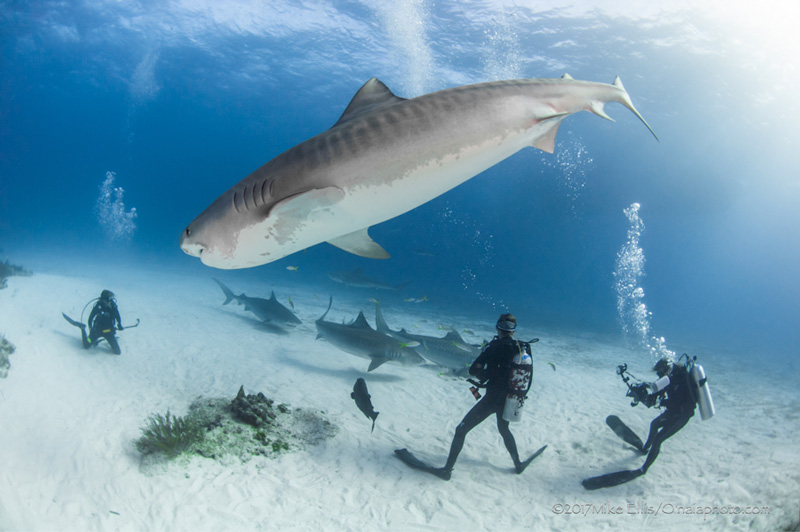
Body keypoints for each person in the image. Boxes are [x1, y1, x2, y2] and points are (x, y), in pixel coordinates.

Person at [395, 313, 545, 480]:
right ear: (514, 330)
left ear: (498, 327)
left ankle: (447, 470)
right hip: (509, 399)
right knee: (504, 429)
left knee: (461, 430)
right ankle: (518, 464)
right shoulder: (520, 349)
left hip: (492, 399)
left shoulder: (493, 347)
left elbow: (474, 370)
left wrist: (484, 374)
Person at [582, 357, 697, 490]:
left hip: (682, 415)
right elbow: (654, 398)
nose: (658, 376)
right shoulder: (669, 380)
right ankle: (645, 448)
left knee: (659, 440)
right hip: (673, 412)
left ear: (666, 370)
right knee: (654, 425)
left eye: (659, 373)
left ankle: (643, 469)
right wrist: (641, 394)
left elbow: (676, 402)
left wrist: (660, 402)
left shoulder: (680, 380)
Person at [63, 290, 124, 355]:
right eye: (107, 299)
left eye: (110, 299)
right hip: (97, 331)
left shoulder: (113, 306)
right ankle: (82, 328)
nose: (108, 301)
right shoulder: (98, 306)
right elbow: (90, 319)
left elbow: (117, 315)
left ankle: (111, 340)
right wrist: (91, 330)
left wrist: (119, 324)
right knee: (86, 345)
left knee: (117, 352)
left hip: (109, 331)